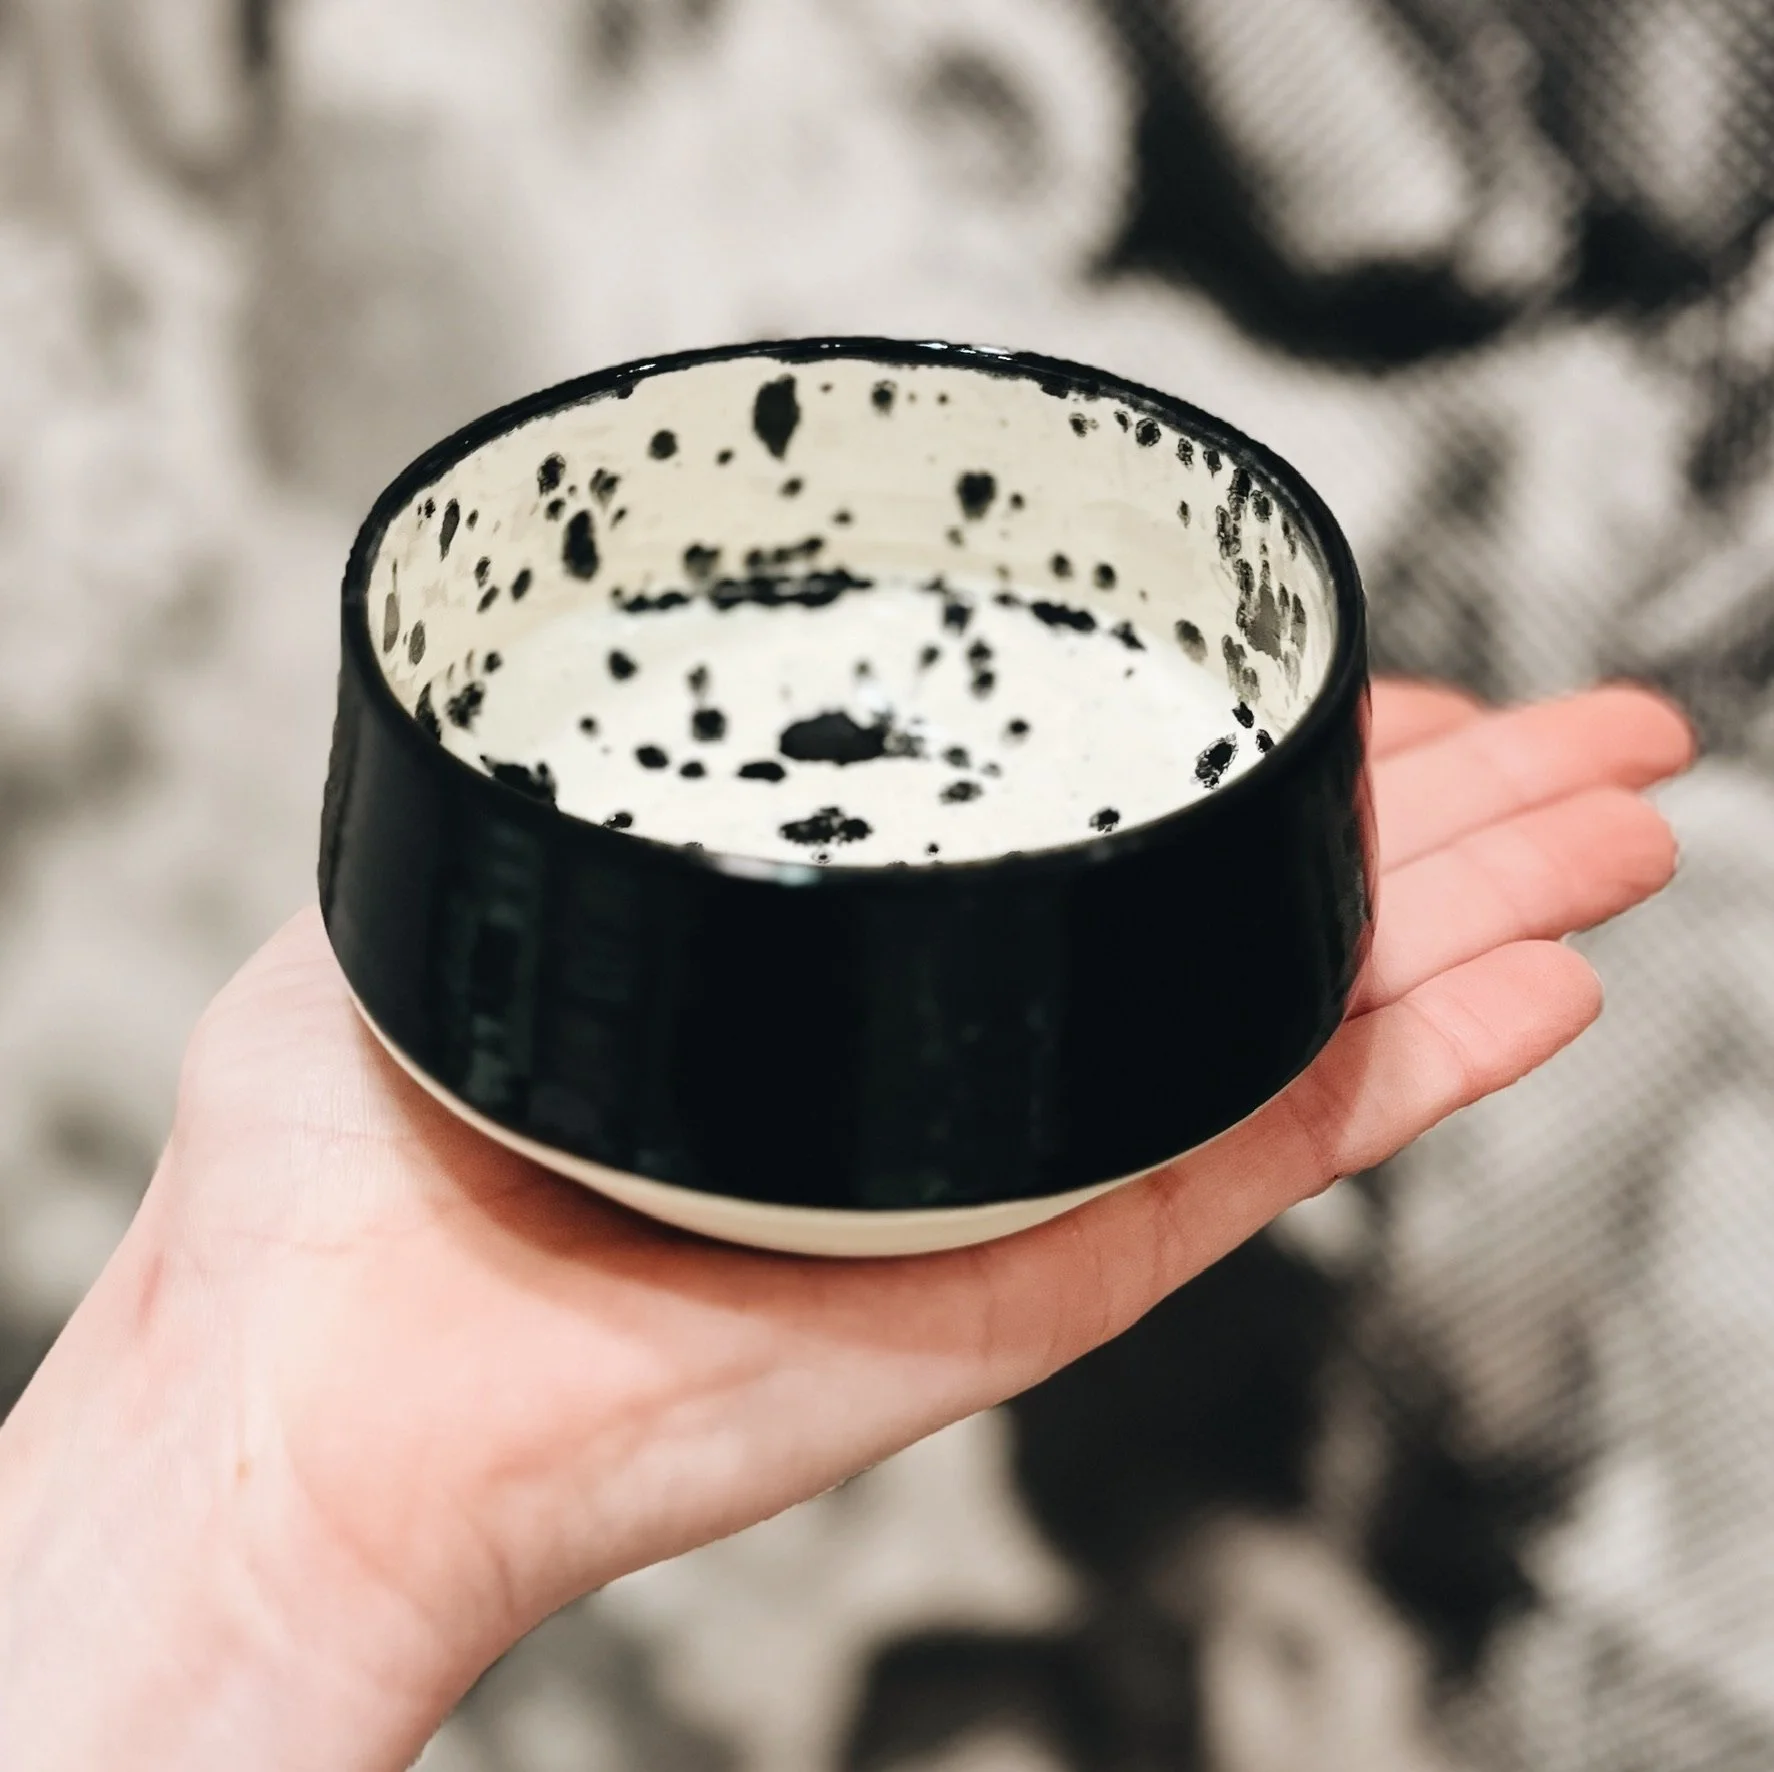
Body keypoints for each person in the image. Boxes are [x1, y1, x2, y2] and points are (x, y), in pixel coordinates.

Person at [0, 680, 1692, 1771]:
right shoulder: (1504, 1523)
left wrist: (251, 1534)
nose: (1227, 1688)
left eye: (1148, 1680)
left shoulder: (1105, 1450)